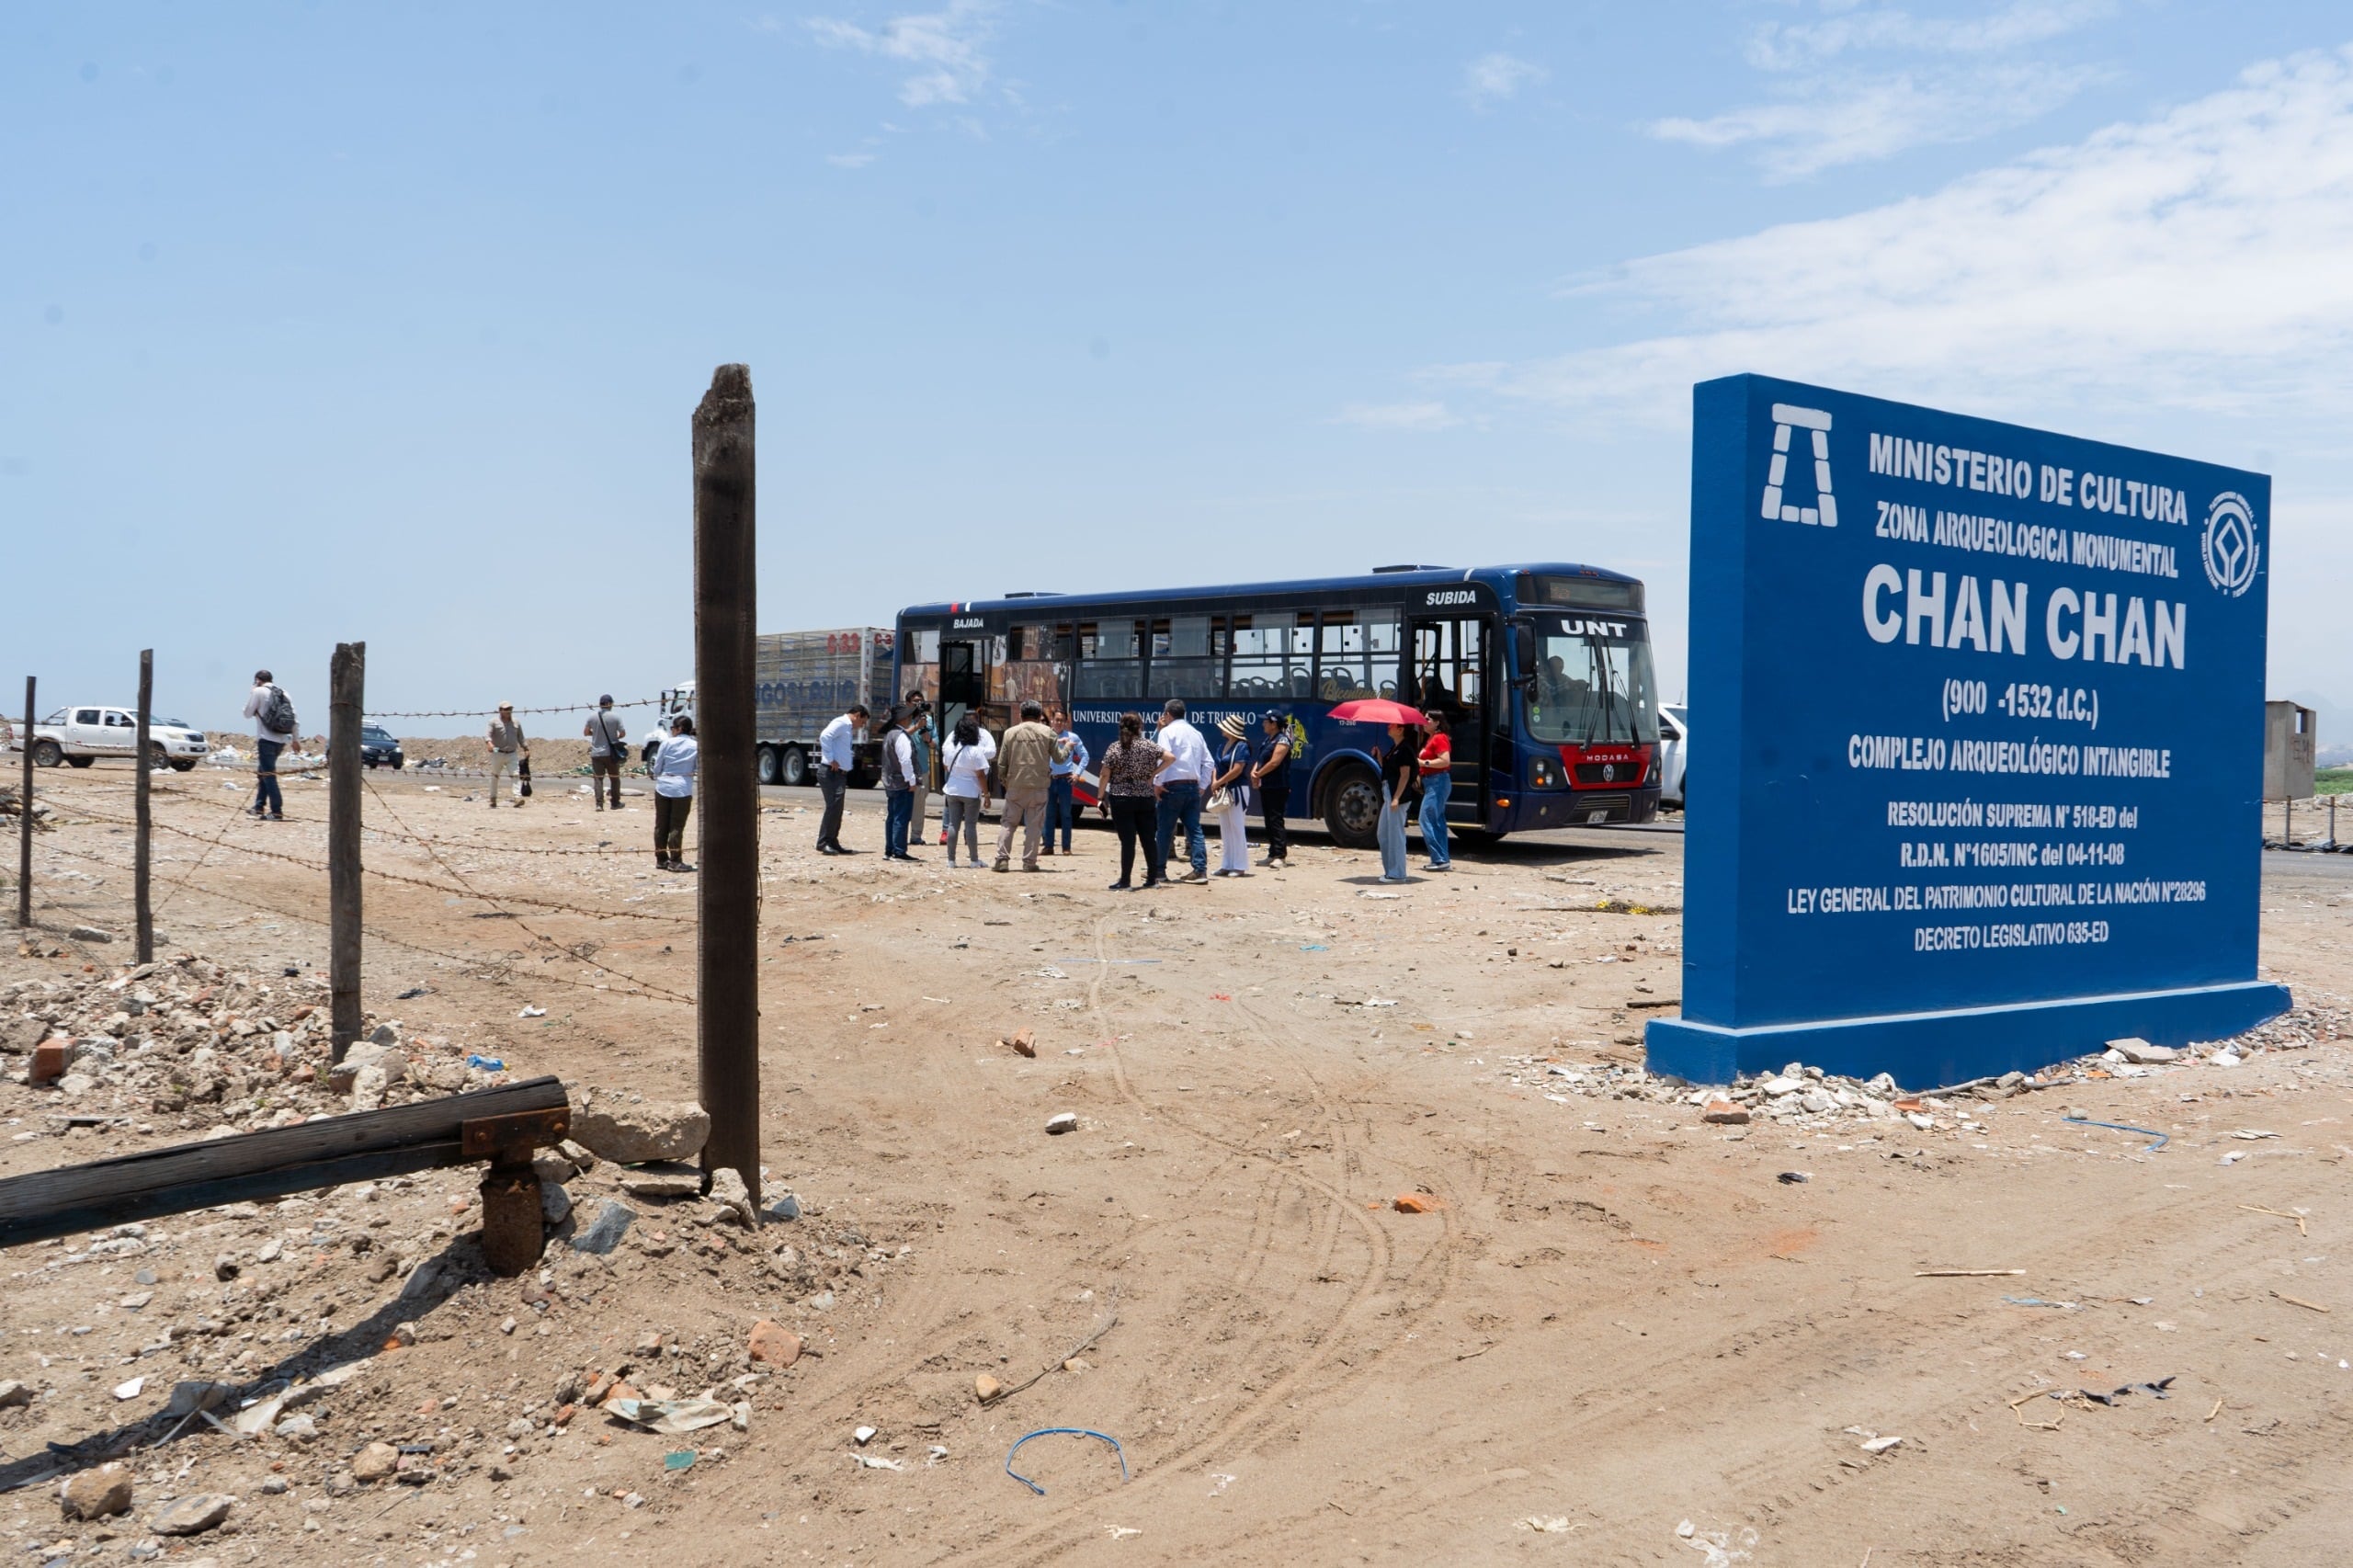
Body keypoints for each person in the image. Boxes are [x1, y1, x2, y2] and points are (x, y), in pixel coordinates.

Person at [1097, 712, 1170, 890]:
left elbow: (1105, 773)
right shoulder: (1149, 746)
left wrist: (1100, 797)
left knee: (1128, 841)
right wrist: (1153, 774)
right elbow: (1171, 757)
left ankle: (1125, 881)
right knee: (1148, 839)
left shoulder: (1115, 747)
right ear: (1140, 727)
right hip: (1145, 797)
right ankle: (1152, 879)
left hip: (1121, 798)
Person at [992, 699, 1060, 872]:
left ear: (1021, 715)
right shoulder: (1048, 732)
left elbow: (1001, 763)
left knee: (1008, 823)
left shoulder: (1010, 733)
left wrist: (1005, 781)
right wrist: (1066, 748)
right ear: (1039, 716)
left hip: (1015, 785)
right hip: (1039, 786)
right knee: (1034, 826)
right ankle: (1029, 862)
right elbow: (1059, 758)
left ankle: (1002, 860)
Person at [1153, 699, 1213, 884]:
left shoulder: (1167, 732)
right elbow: (1209, 763)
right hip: (1192, 787)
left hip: (1172, 786)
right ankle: (1200, 870)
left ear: (1168, 714)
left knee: (1164, 830)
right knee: (1194, 829)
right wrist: (1202, 786)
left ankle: (1159, 871)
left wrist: (1157, 782)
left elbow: (1164, 759)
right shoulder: (1196, 733)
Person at [938, 712, 995, 867]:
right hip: (971, 792)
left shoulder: (950, 749)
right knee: (970, 825)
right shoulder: (976, 751)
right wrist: (987, 795)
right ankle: (974, 860)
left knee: (952, 825)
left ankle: (951, 860)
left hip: (952, 789)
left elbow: (945, 766)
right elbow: (981, 775)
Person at [241, 669, 295, 821]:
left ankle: (276, 811)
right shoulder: (284, 693)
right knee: (263, 771)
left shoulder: (258, 691)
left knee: (268, 775)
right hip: (281, 739)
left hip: (266, 738)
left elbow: (247, 713)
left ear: (258, 680)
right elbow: (294, 717)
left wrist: (252, 693)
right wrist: (295, 740)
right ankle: (259, 806)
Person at [816, 703, 868, 855]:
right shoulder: (841, 722)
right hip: (830, 772)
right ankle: (823, 842)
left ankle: (832, 841)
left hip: (839, 774)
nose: (861, 726)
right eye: (862, 722)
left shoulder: (846, 727)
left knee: (837, 809)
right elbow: (825, 736)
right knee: (833, 807)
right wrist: (831, 758)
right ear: (857, 715)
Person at [650, 715, 699, 870]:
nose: (671, 731)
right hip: (682, 789)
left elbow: (657, 768)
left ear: (678, 729)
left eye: (672, 728)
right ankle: (676, 860)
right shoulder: (695, 746)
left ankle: (661, 859)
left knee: (661, 825)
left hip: (663, 786)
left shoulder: (666, 743)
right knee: (676, 825)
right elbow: (697, 769)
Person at [1211, 714, 1254, 877]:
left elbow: (1237, 770)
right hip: (1224, 789)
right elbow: (1216, 765)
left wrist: (1218, 782)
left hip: (1237, 790)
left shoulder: (1241, 746)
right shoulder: (1223, 745)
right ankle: (1227, 864)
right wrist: (1215, 781)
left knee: (1236, 826)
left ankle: (1240, 865)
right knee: (1225, 827)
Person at [1045, 706, 1089, 858]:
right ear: (1052, 720)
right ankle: (1048, 846)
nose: (1058, 723)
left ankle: (1066, 847)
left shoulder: (1073, 737)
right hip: (1049, 780)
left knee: (1066, 814)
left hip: (1065, 780)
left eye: (1061, 721)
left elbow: (1085, 756)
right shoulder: (1046, 735)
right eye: (1056, 720)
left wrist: (1077, 774)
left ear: (1065, 722)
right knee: (1049, 815)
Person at [1251, 709, 1293, 868]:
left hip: (1278, 785)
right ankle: (1272, 853)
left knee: (1276, 820)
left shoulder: (1282, 740)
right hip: (1267, 785)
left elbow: (1275, 762)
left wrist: (1258, 774)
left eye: (1266, 721)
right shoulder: (1269, 740)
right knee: (1268, 820)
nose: (1263, 723)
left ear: (1274, 724)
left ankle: (1280, 856)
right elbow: (1261, 759)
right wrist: (1255, 772)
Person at [1377, 721, 1417, 882]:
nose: (1389, 726)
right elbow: (1388, 771)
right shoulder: (1395, 748)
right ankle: (1390, 871)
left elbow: (1405, 776)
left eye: (1393, 725)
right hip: (1389, 795)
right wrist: (1380, 757)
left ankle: (1398, 874)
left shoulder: (1405, 750)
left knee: (1395, 835)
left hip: (1397, 797)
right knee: (1383, 833)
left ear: (1401, 730)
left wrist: (1396, 798)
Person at [880, 706, 922, 861]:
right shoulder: (901, 736)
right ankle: (899, 851)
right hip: (901, 782)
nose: (911, 720)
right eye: (909, 717)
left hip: (890, 781)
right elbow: (905, 761)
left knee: (892, 817)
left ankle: (889, 850)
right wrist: (911, 781)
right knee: (901, 818)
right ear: (903, 719)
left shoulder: (890, 734)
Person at [1417, 714, 1454, 871]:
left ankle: (1439, 859)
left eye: (1428, 720)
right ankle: (1442, 859)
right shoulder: (1431, 738)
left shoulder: (1439, 738)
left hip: (1437, 782)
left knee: (1425, 819)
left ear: (1437, 722)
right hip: (1432, 782)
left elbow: (1445, 761)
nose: (1424, 722)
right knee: (1437, 821)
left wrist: (1422, 762)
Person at [583, 695, 629, 811]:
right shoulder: (616, 717)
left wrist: (596, 734)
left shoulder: (592, 717)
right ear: (610, 704)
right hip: (611, 753)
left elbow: (586, 732)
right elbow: (622, 733)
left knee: (598, 779)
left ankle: (599, 804)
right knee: (614, 778)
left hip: (596, 753)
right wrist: (615, 736)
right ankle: (615, 803)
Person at [904, 692, 934, 850]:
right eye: (915, 701)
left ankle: (916, 836)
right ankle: (900, 835)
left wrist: (928, 738)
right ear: (907, 703)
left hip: (921, 768)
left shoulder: (928, 721)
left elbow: (936, 743)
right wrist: (916, 727)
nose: (918, 704)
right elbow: (897, 736)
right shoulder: (903, 719)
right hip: (903, 769)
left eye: (921, 701)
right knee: (901, 803)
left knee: (919, 804)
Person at [485, 702, 528, 809]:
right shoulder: (494, 722)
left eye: (510, 708)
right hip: (497, 751)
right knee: (495, 776)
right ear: (500, 710)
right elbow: (487, 735)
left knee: (515, 774)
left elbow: (520, 737)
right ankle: (493, 799)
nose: (508, 711)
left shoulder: (516, 722)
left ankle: (517, 798)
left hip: (512, 753)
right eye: (506, 709)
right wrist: (489, 744)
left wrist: (525, 748)